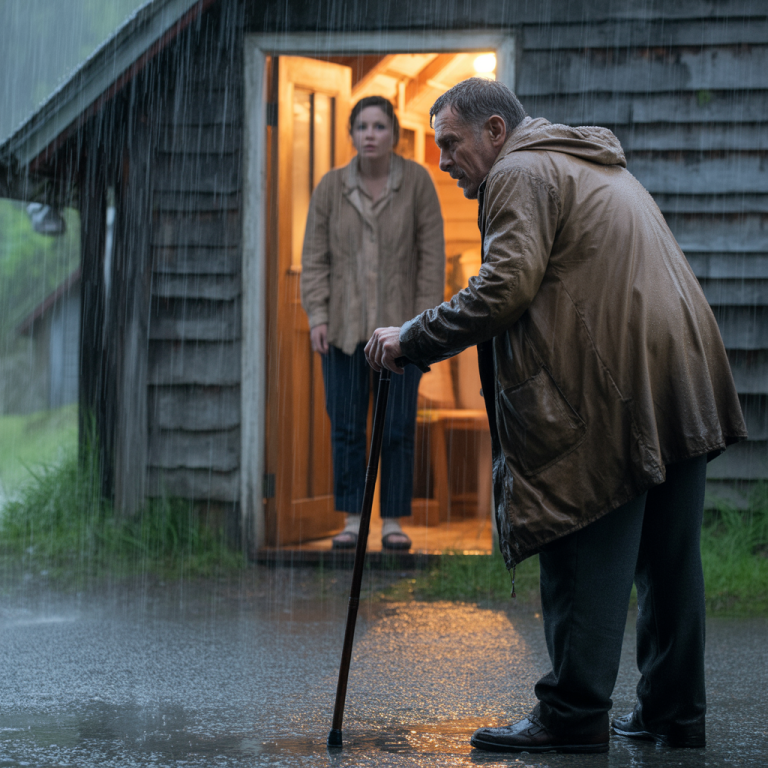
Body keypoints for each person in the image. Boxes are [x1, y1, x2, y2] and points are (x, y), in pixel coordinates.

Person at [365, 78, 747, 753]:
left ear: (495, 130)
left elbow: (504, 288)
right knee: (668, 558)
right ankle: (673, 713)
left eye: (450, 143)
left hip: (615, 384)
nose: (444, 160)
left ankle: (572, 715)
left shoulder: (518, 171)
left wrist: (413, 337)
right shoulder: (584, 162)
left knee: (577, 533)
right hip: (682, 374)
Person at [301, 96, 445, 551]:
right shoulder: (330, 187)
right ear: (351, 134)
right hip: (342, 331)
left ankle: (392, 522)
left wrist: (422, 329)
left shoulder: (417, 183)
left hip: (400, 336)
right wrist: (317, 314)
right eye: (361, 126)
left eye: (379, 126)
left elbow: (431, 260)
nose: (370, 134)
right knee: (346, 428)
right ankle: (352, 519)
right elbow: (314, 258)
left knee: (397, 428)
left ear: (394, 134)